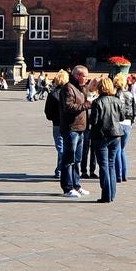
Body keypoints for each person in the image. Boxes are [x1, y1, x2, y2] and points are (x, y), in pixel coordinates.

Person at [48, 65, 92, 199]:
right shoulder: (68, 88)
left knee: (77, 159)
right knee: (69, 158)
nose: (86, 78)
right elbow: (69, 107)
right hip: (71, 128)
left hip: (81, 128)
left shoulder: (80, 88)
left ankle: (76, 185)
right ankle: (67, 187)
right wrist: (87, 104)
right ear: (77, 75)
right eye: (85, 76)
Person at [87, 77, 132, 203]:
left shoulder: (97, 102)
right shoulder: (117, 101)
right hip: (116, 134)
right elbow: (122, 116)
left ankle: (106, 194)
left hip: (101, 135)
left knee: (104, 165)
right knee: (111, 164)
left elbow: (94, 121)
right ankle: (112, 193)